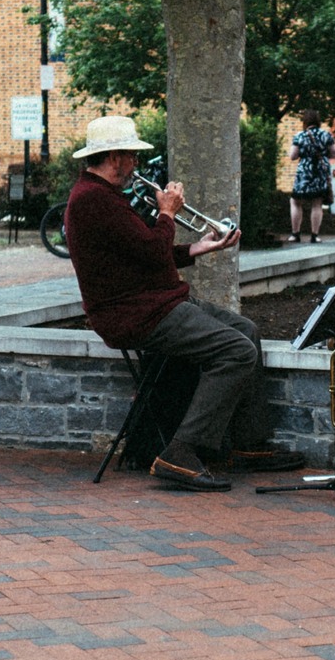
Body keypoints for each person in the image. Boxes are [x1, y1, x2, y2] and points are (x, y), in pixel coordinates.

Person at [64, 115, 305, 492]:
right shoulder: (92, 200)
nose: (136, 165)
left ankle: (247, 443)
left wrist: (199, 247)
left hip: (155, 301)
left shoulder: (105, 196)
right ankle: (181, 451)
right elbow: (151, 248)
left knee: (246, 330)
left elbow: (144, 253)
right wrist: (167, 213)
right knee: (236, 351)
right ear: (114, 157)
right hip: (135, 314)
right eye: (132, 157)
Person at [287, 109, 335, 243]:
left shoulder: (300, 136)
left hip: (304, 172)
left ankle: (295, 234)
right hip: (320, 172)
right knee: (317, 203)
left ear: (305, 121)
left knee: (295, 201)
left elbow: (293, 156)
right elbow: (333, 153)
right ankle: (315, 235)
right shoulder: (326, 135)